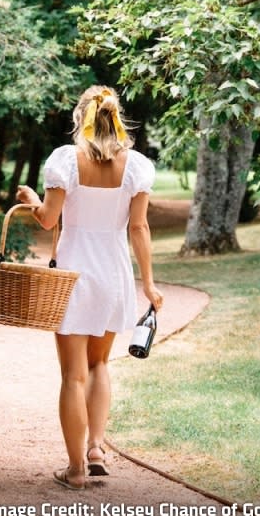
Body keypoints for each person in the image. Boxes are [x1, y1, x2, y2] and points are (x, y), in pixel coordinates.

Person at [16, 85, 165, 491]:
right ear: (115, 120)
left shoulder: (66, 160)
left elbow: (48, 219)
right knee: (100, 365)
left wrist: (31, 198)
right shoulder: (136, 167)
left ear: (79, 118)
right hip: (114, 274)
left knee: (72, 375)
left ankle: (76, 469)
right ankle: (97, 449)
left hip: (73, 276)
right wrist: (148, 284)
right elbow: (139, 227)